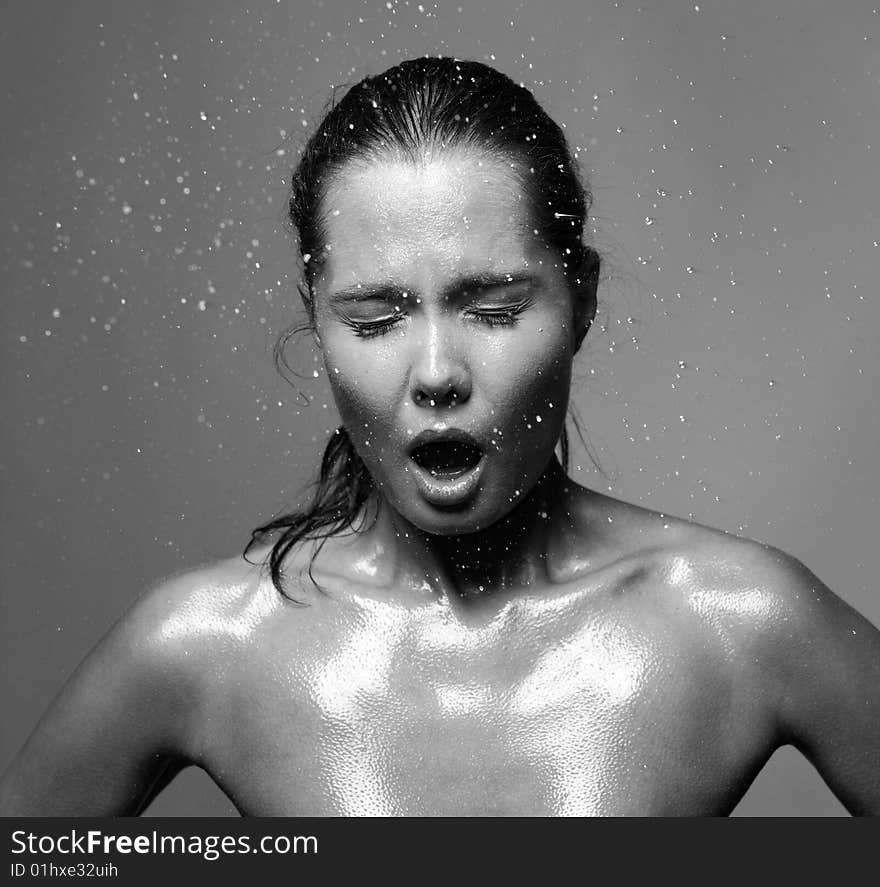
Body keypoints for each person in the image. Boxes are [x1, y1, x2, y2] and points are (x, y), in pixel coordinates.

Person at [1, 57, 878, 817]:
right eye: (376, 319)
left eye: (493, 308)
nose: (434, 372)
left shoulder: (741, 622)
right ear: (317, 322)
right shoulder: (201, 645)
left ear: (583, 303)